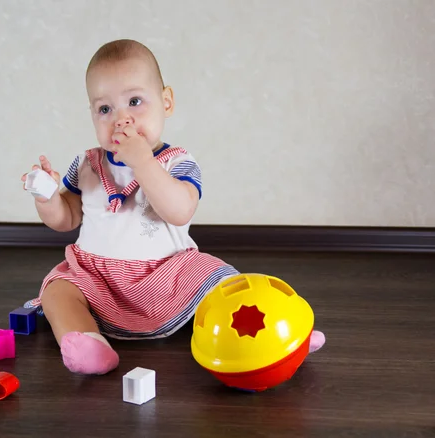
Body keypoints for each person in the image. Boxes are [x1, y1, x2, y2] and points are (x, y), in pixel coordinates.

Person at [20, 39, 325, 375]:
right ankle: (88, 343)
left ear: (166, 102)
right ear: (91, 113)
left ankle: (279, 333)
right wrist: (47, 199)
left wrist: (143, 164)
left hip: (169, 274)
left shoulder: (177, 161)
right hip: (96, 278)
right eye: (105, 109)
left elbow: (180, 211)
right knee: (57, 291)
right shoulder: (88, 163)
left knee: (224, 282)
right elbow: (67, 219)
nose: (121, 119)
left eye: (134, 102)